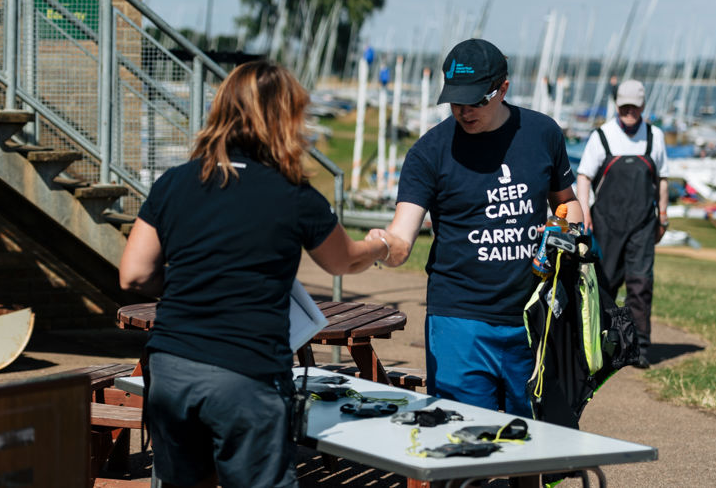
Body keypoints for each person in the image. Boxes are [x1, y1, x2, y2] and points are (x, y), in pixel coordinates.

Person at [118, 60, 389, 488]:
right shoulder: (292, 193)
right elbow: (344, 260)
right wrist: (384, 245)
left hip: (172, 370)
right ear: (285, 119)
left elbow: (133, 275)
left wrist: (197, 280)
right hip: (247, 373)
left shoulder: (175, 182)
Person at [367, 38, 583, 418]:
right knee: (460, 445)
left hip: (533, 319)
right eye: (455, 101)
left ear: (502, 89)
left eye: (474, 101)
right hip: (458, 322)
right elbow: (401, 240)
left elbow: (568, 203)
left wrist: (564, 230)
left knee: (534, 444)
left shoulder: (543, 133)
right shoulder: (427, 153)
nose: (463, 111)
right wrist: (379, 246)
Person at [576, 79, 669, 369]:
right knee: (605, 284)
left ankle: (638, 348)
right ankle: (602, 346)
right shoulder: (602, 136)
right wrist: (583, 211)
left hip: (642, 222)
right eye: (624, 107)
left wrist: (662, 216)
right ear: (617, 106)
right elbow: (584, 177)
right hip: (606, 223)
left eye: (634, 107)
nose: (629, 112)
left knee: (641, 285)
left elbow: (662, 180)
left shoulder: (655, 137)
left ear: (643, 107)